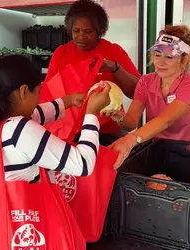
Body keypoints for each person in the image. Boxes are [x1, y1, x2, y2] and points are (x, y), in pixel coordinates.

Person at [0, 55, 111, 189]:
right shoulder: (19, 130)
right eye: (38, 92)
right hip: (21, 218)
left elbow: (36, 114)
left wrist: (68, 101)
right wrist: (92, 113)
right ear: (24, 91)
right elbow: (83, 164)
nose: (39, 99)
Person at [108, 25, 190, 169]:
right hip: (164, 152)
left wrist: (132, 139)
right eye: (157, 54)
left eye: (169, 57)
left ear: (184, 59)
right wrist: (117, 114)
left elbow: (166, 119)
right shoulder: (145, 82)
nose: (160, 62)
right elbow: (131, 123)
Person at [42, 0, 141, 145]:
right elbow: (49, 95)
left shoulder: (113, 51)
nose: (81, 36)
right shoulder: (61, 53)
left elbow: (137, 92)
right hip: (73, 130)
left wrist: (115, 69)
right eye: (76, 31)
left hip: (109, 130)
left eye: (88, 31)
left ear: (100, 30)